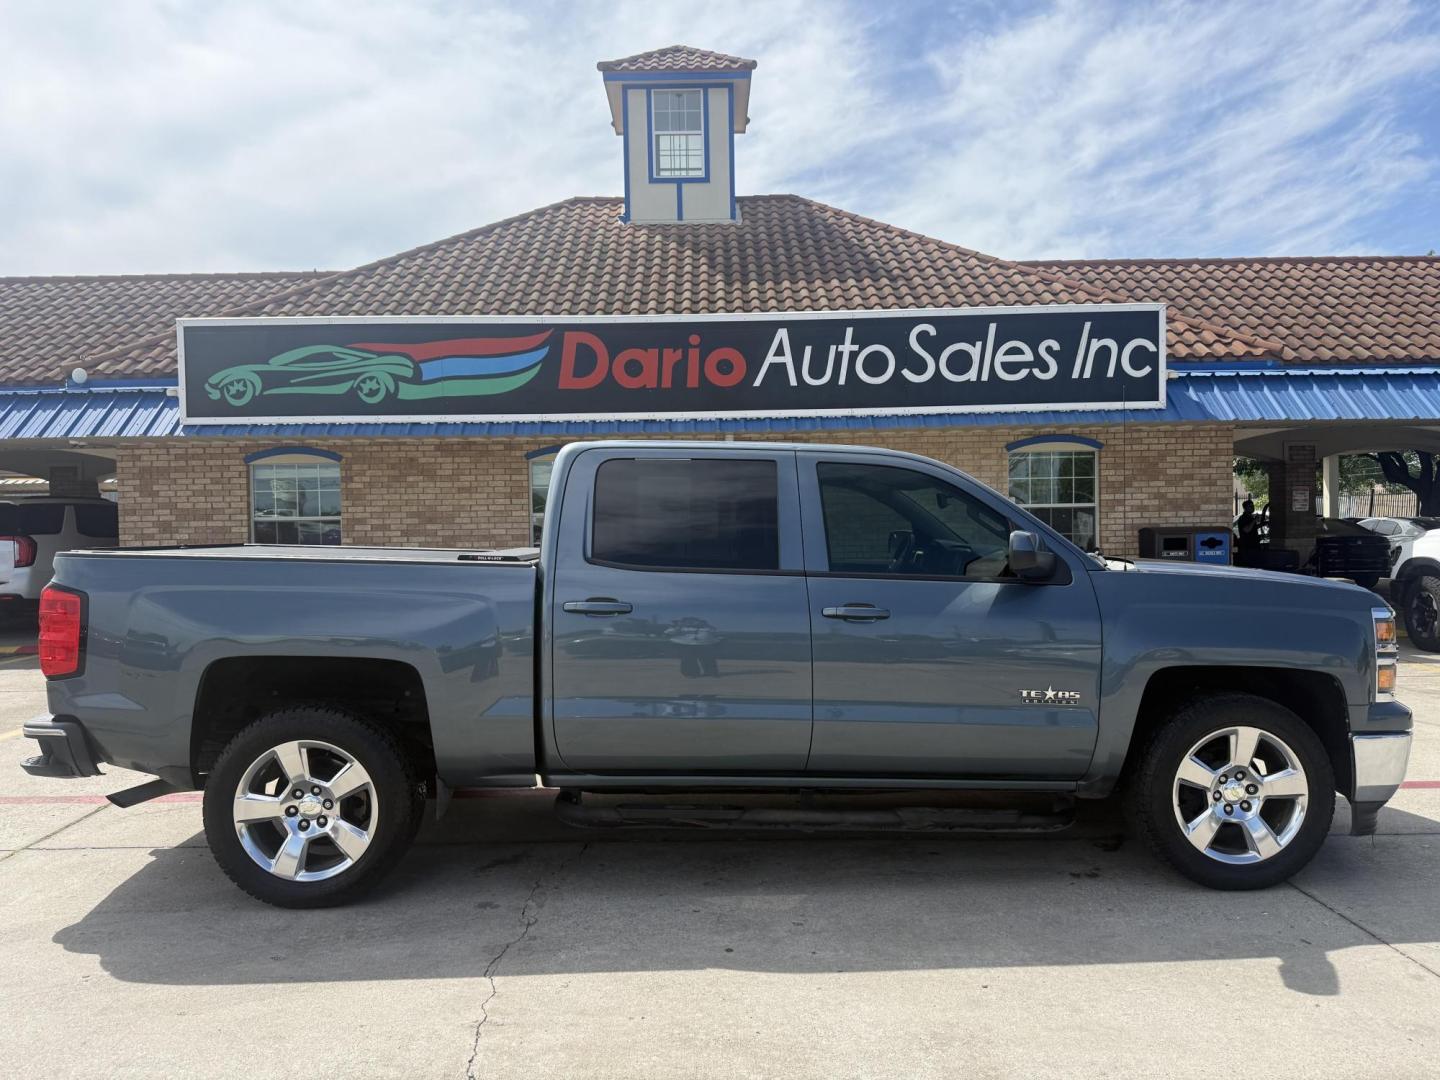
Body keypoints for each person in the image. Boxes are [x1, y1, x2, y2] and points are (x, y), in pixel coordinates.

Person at [1234, 499, 1262, 564]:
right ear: (1245, 508)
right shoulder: (1243, 518)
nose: (1253, 508)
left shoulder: (1250, 517)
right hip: (1248, 547)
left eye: (1253, 506)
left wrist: (1262, 524)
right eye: (1250, 506)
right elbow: (1246, 530)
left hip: (1254, 546)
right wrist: (1254, 520)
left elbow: (1252, 528)